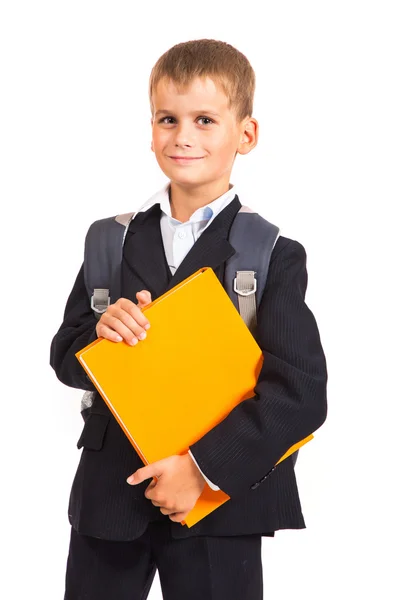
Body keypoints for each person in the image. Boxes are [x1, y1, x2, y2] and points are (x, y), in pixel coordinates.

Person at [50, 38, 328, 600]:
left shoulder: (273, 253)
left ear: (245, 134)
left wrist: (202, 469)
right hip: (110, 500)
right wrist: (98, 336)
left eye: (205, 120)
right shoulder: (111, 239)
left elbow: (299, 394)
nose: (183, 136)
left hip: (219, 503)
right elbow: (65, 354)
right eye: (168, 119)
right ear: (150, 128)